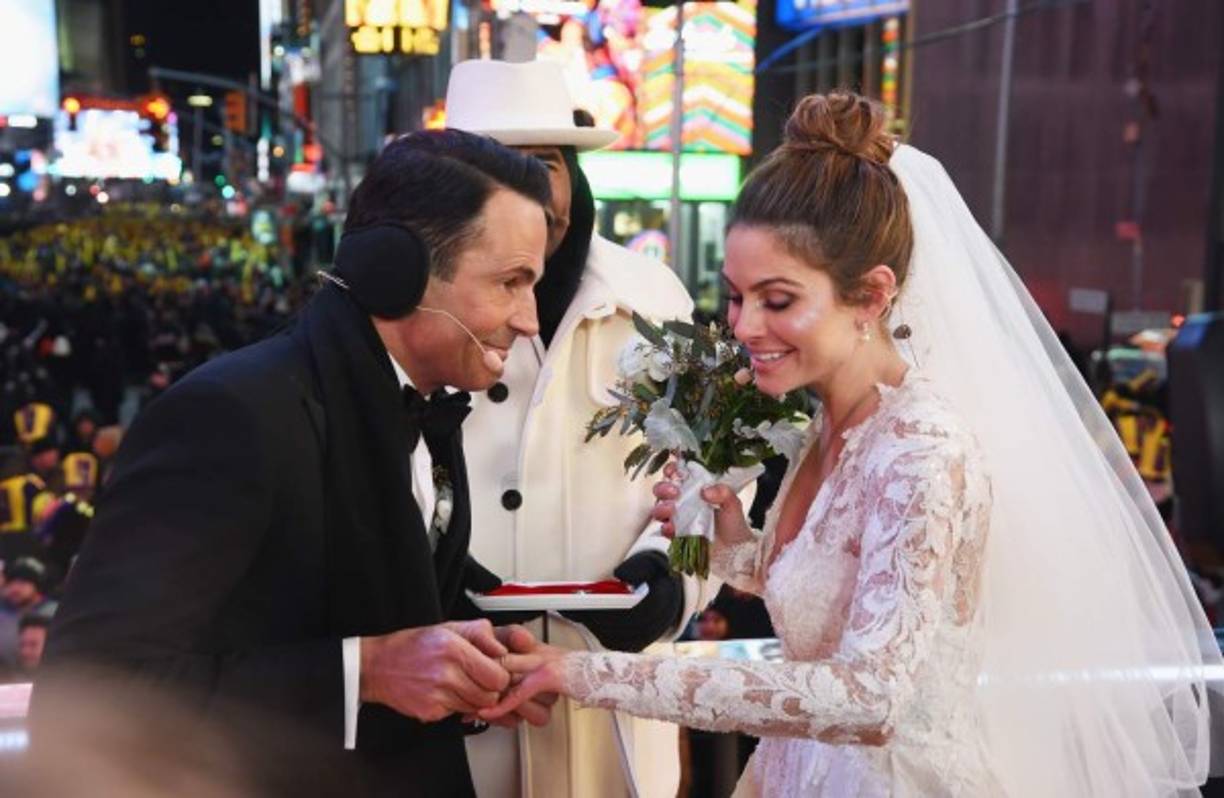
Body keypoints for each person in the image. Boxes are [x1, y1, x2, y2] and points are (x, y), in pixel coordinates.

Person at [481, 92, 1223, 796]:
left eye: (779, 301)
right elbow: (829, 594)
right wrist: (728, 547)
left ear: (871, 295)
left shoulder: (920, 449)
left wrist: (585, 674)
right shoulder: (829, 421)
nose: (742, 328)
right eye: (737, 297)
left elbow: (869, 695)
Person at [33, 130, 556, 797]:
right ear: (395, 272)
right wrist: (362, 672)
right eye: (511, 283)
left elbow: (377, 602)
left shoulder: (429, 407)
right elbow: (88, 692)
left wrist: (477, 660)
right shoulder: (229, 417)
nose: (529, 320)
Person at [444, 58, 702, 797]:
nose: (529, 192)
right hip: (467, 701)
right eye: (497, 169)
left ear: (575, 176)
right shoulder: (415, 302)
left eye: (544, 165)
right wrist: (430, 575)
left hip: (615, 702)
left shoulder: (653, 293)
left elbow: (712, 472)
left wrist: (672, 575)